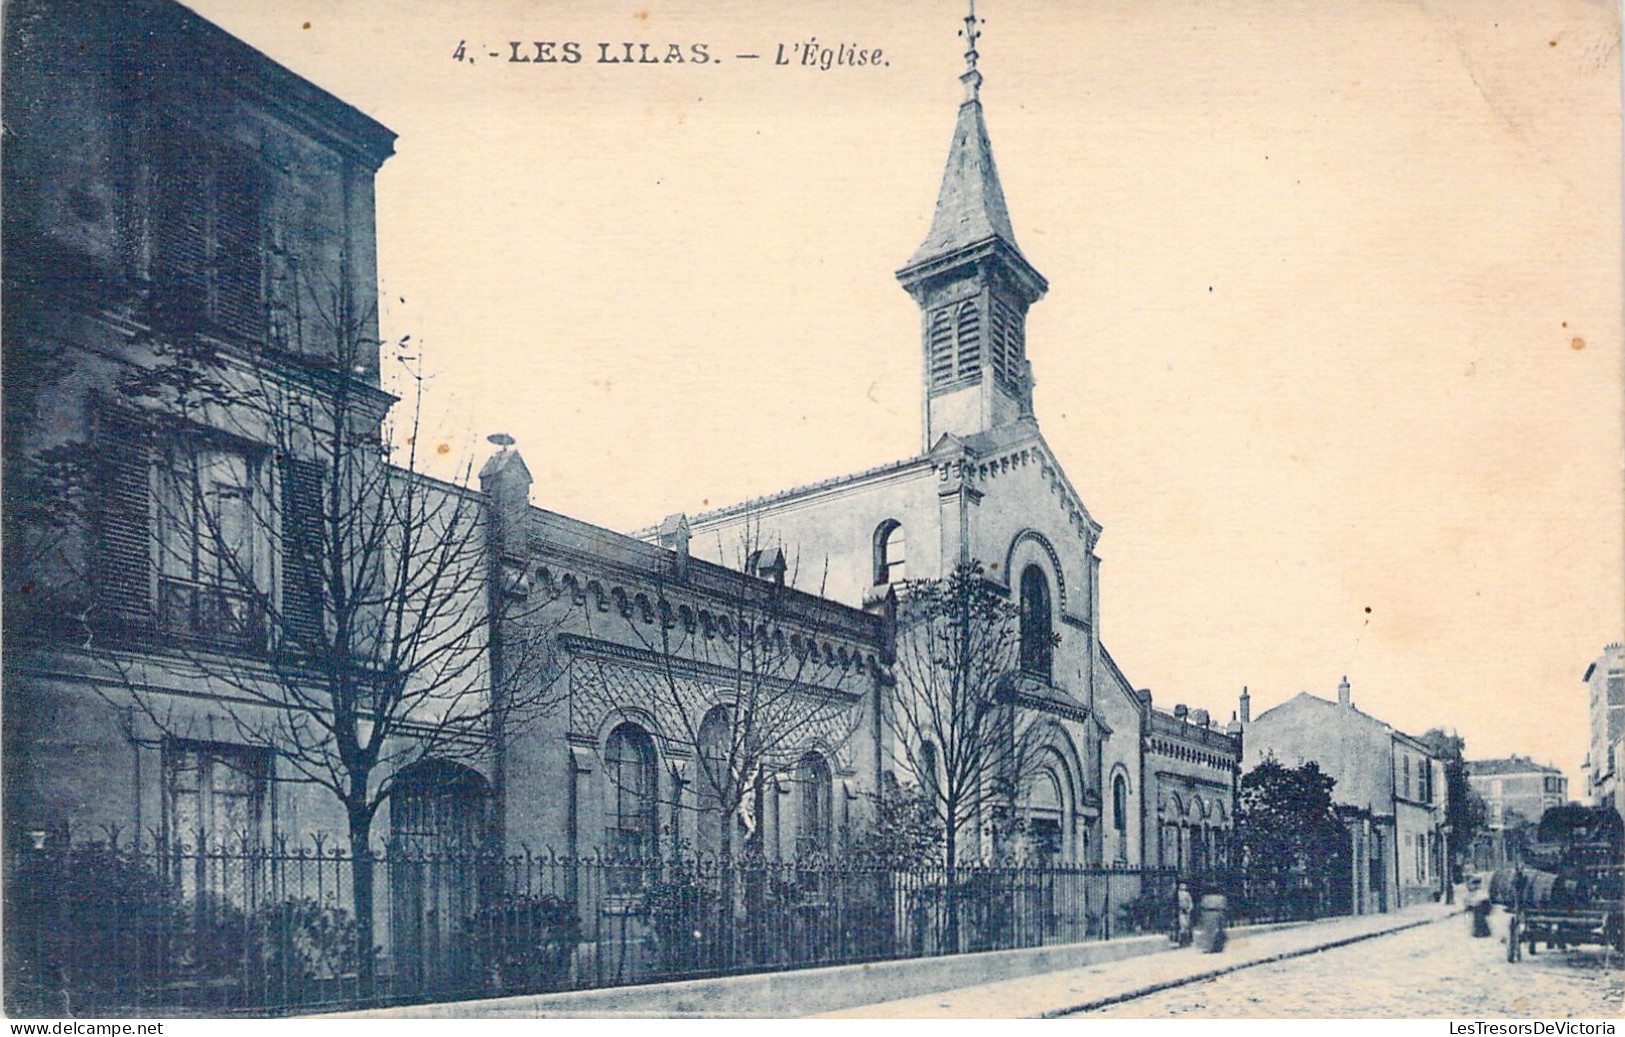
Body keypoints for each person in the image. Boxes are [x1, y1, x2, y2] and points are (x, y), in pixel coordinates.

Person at [1175, 881, 1194, 947]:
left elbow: (1190, 903)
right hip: (1181, 911)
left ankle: (1186, 940)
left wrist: (1189, 909)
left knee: (1186, 926)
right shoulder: (1177, 894)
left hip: (1186, 911)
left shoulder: (1187, 894)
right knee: (1183, 925)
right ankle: (1182, 940)